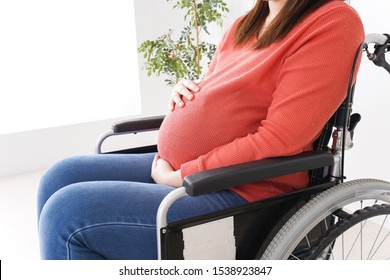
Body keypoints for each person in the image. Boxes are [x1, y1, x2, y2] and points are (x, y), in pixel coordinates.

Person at [37, 0, 364, 259]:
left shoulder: (332, 21)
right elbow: (218, 93)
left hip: (243, 190)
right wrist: (185, 95)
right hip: (188, 170)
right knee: (60, 175)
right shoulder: (244, 24)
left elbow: (281, 137)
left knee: (68, 212)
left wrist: (183, 175)